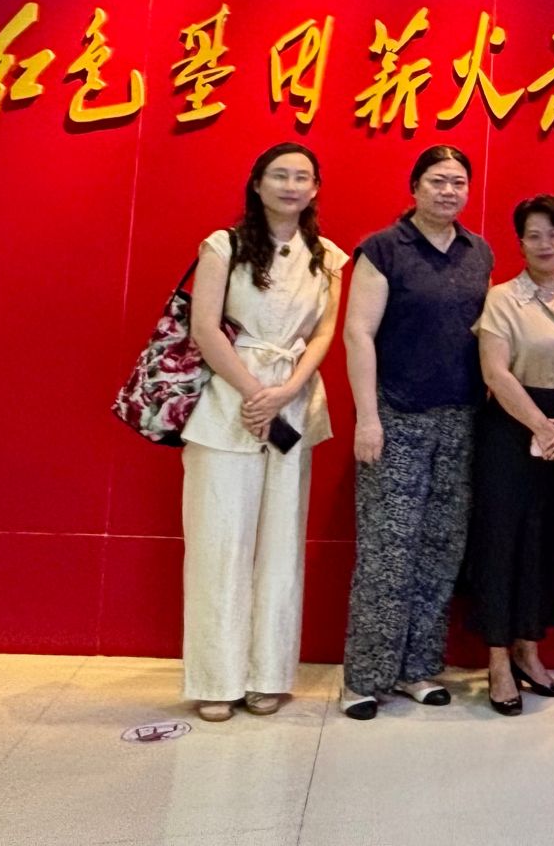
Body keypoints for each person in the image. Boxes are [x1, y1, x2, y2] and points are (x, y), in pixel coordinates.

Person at [181, 144, 347, 723]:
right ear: (256, 183)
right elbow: (205, 328)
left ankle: (267, 675)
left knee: (281, 546)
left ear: (316, 188)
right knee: (219, 542)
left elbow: (324, 334)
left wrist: (286, 390)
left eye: (302, 177)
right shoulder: (222, 246)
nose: (291, 185)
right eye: (279, 175)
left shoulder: (328, 257)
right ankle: (216, 679)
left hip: (293, 404)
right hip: (227, 402)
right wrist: (254, 392)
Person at [338, 145, 495, 720]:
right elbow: (358, 333)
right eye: (437, 181)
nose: (448, 191)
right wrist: (368, 417)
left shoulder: (479, 251)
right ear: (414, 187)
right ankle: (365, 678)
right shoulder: (384, 249)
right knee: (389, 548)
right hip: (396, 416)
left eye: (458, 182)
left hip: (461, 419)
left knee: (439, 549)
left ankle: (417, 668)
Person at [466, 194, 554, 716]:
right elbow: (495, 372)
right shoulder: (503, 298)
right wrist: (541, 427)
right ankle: (498, 660)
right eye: (533, 235)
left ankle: (529, 649)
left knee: (545, 541)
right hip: (511, 430)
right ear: (520, 242)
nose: (545, 243)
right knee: (502, 541)